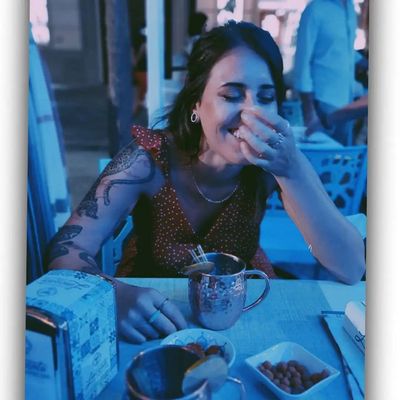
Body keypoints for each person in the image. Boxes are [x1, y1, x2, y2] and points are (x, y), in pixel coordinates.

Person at [47, 21, 365, 344]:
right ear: (196, 103)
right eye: (231, 95)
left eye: (266, 97)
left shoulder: (274, 165)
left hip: (240, 311)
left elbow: (350, 267)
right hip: (153, 317)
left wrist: (292, 169)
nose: (252, 113)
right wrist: (110, 295)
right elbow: (65, 250)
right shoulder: (149, 160)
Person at [294, 0, 358, 145]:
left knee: (342, 156)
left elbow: (343, 50)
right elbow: (302, 61)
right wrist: (309, 111)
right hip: (322, 104)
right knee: (322, 156)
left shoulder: (350, 7)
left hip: (348, 104)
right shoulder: (315, 9)